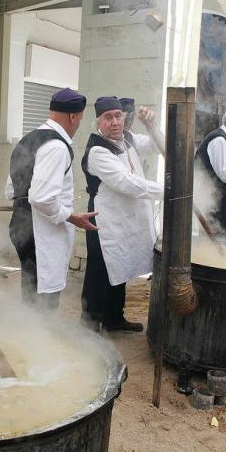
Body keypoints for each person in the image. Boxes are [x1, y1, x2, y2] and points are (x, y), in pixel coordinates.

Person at [6, 88, 97, 311]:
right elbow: (42, 197)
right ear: (74, 116)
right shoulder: (57, 147)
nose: (78, 126)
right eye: (80, 119)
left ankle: (29, 338)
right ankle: (41, 341)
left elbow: (10, 189)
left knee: (31, 291)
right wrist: (71, 216)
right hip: (41, 232)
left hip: (21, 226)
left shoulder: (30, 138)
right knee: (44, 297)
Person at [80, 96, 164, 332]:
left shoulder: (128, 138)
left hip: (126, 217)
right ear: (99, 122)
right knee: (99, 271)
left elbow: (159, 146)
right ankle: (88, 325)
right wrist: (167, 191)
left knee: (120, 267)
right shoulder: (97, 151)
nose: (115, 122)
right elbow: (127, 183)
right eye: (108, 118)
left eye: (118, 116)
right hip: (103, 218)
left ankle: (114, 319)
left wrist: (152, 127)